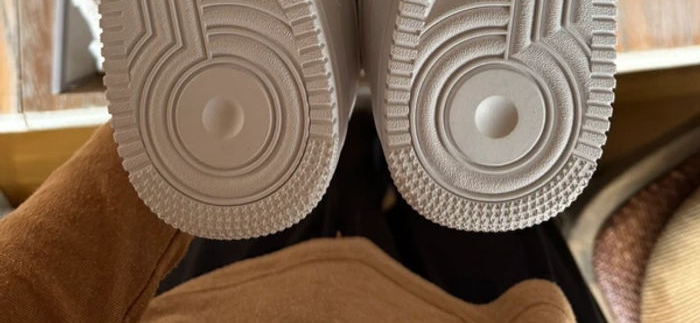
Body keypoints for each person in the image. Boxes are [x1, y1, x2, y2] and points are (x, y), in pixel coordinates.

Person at [0, 110, 605, 323]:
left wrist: (178, 136)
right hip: (466, 308)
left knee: (465, 143)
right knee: (475, 157)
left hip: (233, 294)